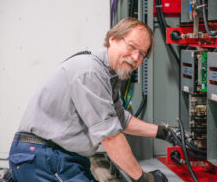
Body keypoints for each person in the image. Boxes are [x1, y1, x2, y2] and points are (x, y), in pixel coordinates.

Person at [9, 18, 170, 182]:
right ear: (113, 38)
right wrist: (142, 178)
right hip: (43, 157)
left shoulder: (109, 75)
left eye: (142, 53)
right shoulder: (90, 71)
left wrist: (164, 133)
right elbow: (110, 136)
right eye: (132, 46)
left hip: (60, 157)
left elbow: (120, 119)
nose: (136, 57)